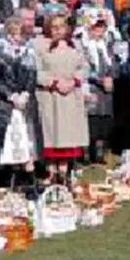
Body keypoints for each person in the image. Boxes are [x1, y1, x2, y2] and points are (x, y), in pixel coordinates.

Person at [0, 18, 41, 191]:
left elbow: (32, 75)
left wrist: (26, 93)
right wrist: (10, 96)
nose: (17, 38)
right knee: (3, 141)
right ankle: (1, 177)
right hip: (1, 103)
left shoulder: (28, 53)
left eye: (20, 35)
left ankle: (24, 177)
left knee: (26, 140)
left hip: (24, 102)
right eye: (13, 34)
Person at [34, 15, 89, 185]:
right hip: (50, 96)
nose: (58, 31)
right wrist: (54, 82)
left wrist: (74, 81)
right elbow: (36, 70)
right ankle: (51, 171)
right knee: (52, 134)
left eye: (61, 27)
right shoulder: (40, 46)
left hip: (70, 97)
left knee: (68, 135)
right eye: (54, 27)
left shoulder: (75, 46)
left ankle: (65, 170)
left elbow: (84, 66)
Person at [79, 17, 119, 163]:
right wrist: (99, 80)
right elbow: (83, 68)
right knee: (92, 121)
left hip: (107, 91)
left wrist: (111, 77)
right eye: (96, 29)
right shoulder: (84, 47)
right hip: (92, 88)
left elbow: (116, 65)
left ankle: (101, 151)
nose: (100, 33)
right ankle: (88, 153)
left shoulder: (107, 47)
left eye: (102, 29)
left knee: (105, 122)